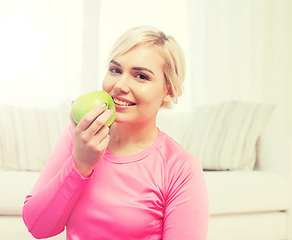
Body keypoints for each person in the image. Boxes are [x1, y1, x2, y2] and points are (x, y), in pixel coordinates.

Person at [22, 26, 209, 240]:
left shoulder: (181, 168)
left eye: (140, 76)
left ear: (169, 92)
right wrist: (80, 164)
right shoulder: (81, 138)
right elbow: (38, 227)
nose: (119, 85)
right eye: (115, 70)